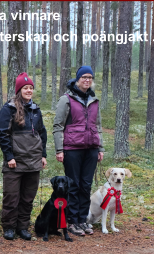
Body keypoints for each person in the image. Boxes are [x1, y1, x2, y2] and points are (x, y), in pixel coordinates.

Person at [53, 65, 104, 236]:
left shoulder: (94, 100)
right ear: (77, 79)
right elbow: (58, 125)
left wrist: (100, 147)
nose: (87, 80)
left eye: (90, 77)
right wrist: (59, 149)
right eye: (84, 77)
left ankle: (83, 220)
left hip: (91, 149)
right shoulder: (66, 99)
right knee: (73, 186)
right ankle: (72, 221)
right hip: (72, 149)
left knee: (86, 185)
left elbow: (98, 126)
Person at [0, 72, 47, 241]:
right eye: (25, 88)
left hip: (34, 160)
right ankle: (9, 227)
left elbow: (42, 133)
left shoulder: (36, 109)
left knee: (28, 197)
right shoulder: (8, 109)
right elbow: (3, 134)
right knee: (11, 197)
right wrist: (9, 156)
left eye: (31, 88)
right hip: (14, 161)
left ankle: (23, 227)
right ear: (19, 90)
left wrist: (43, 155)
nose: (29, 90)